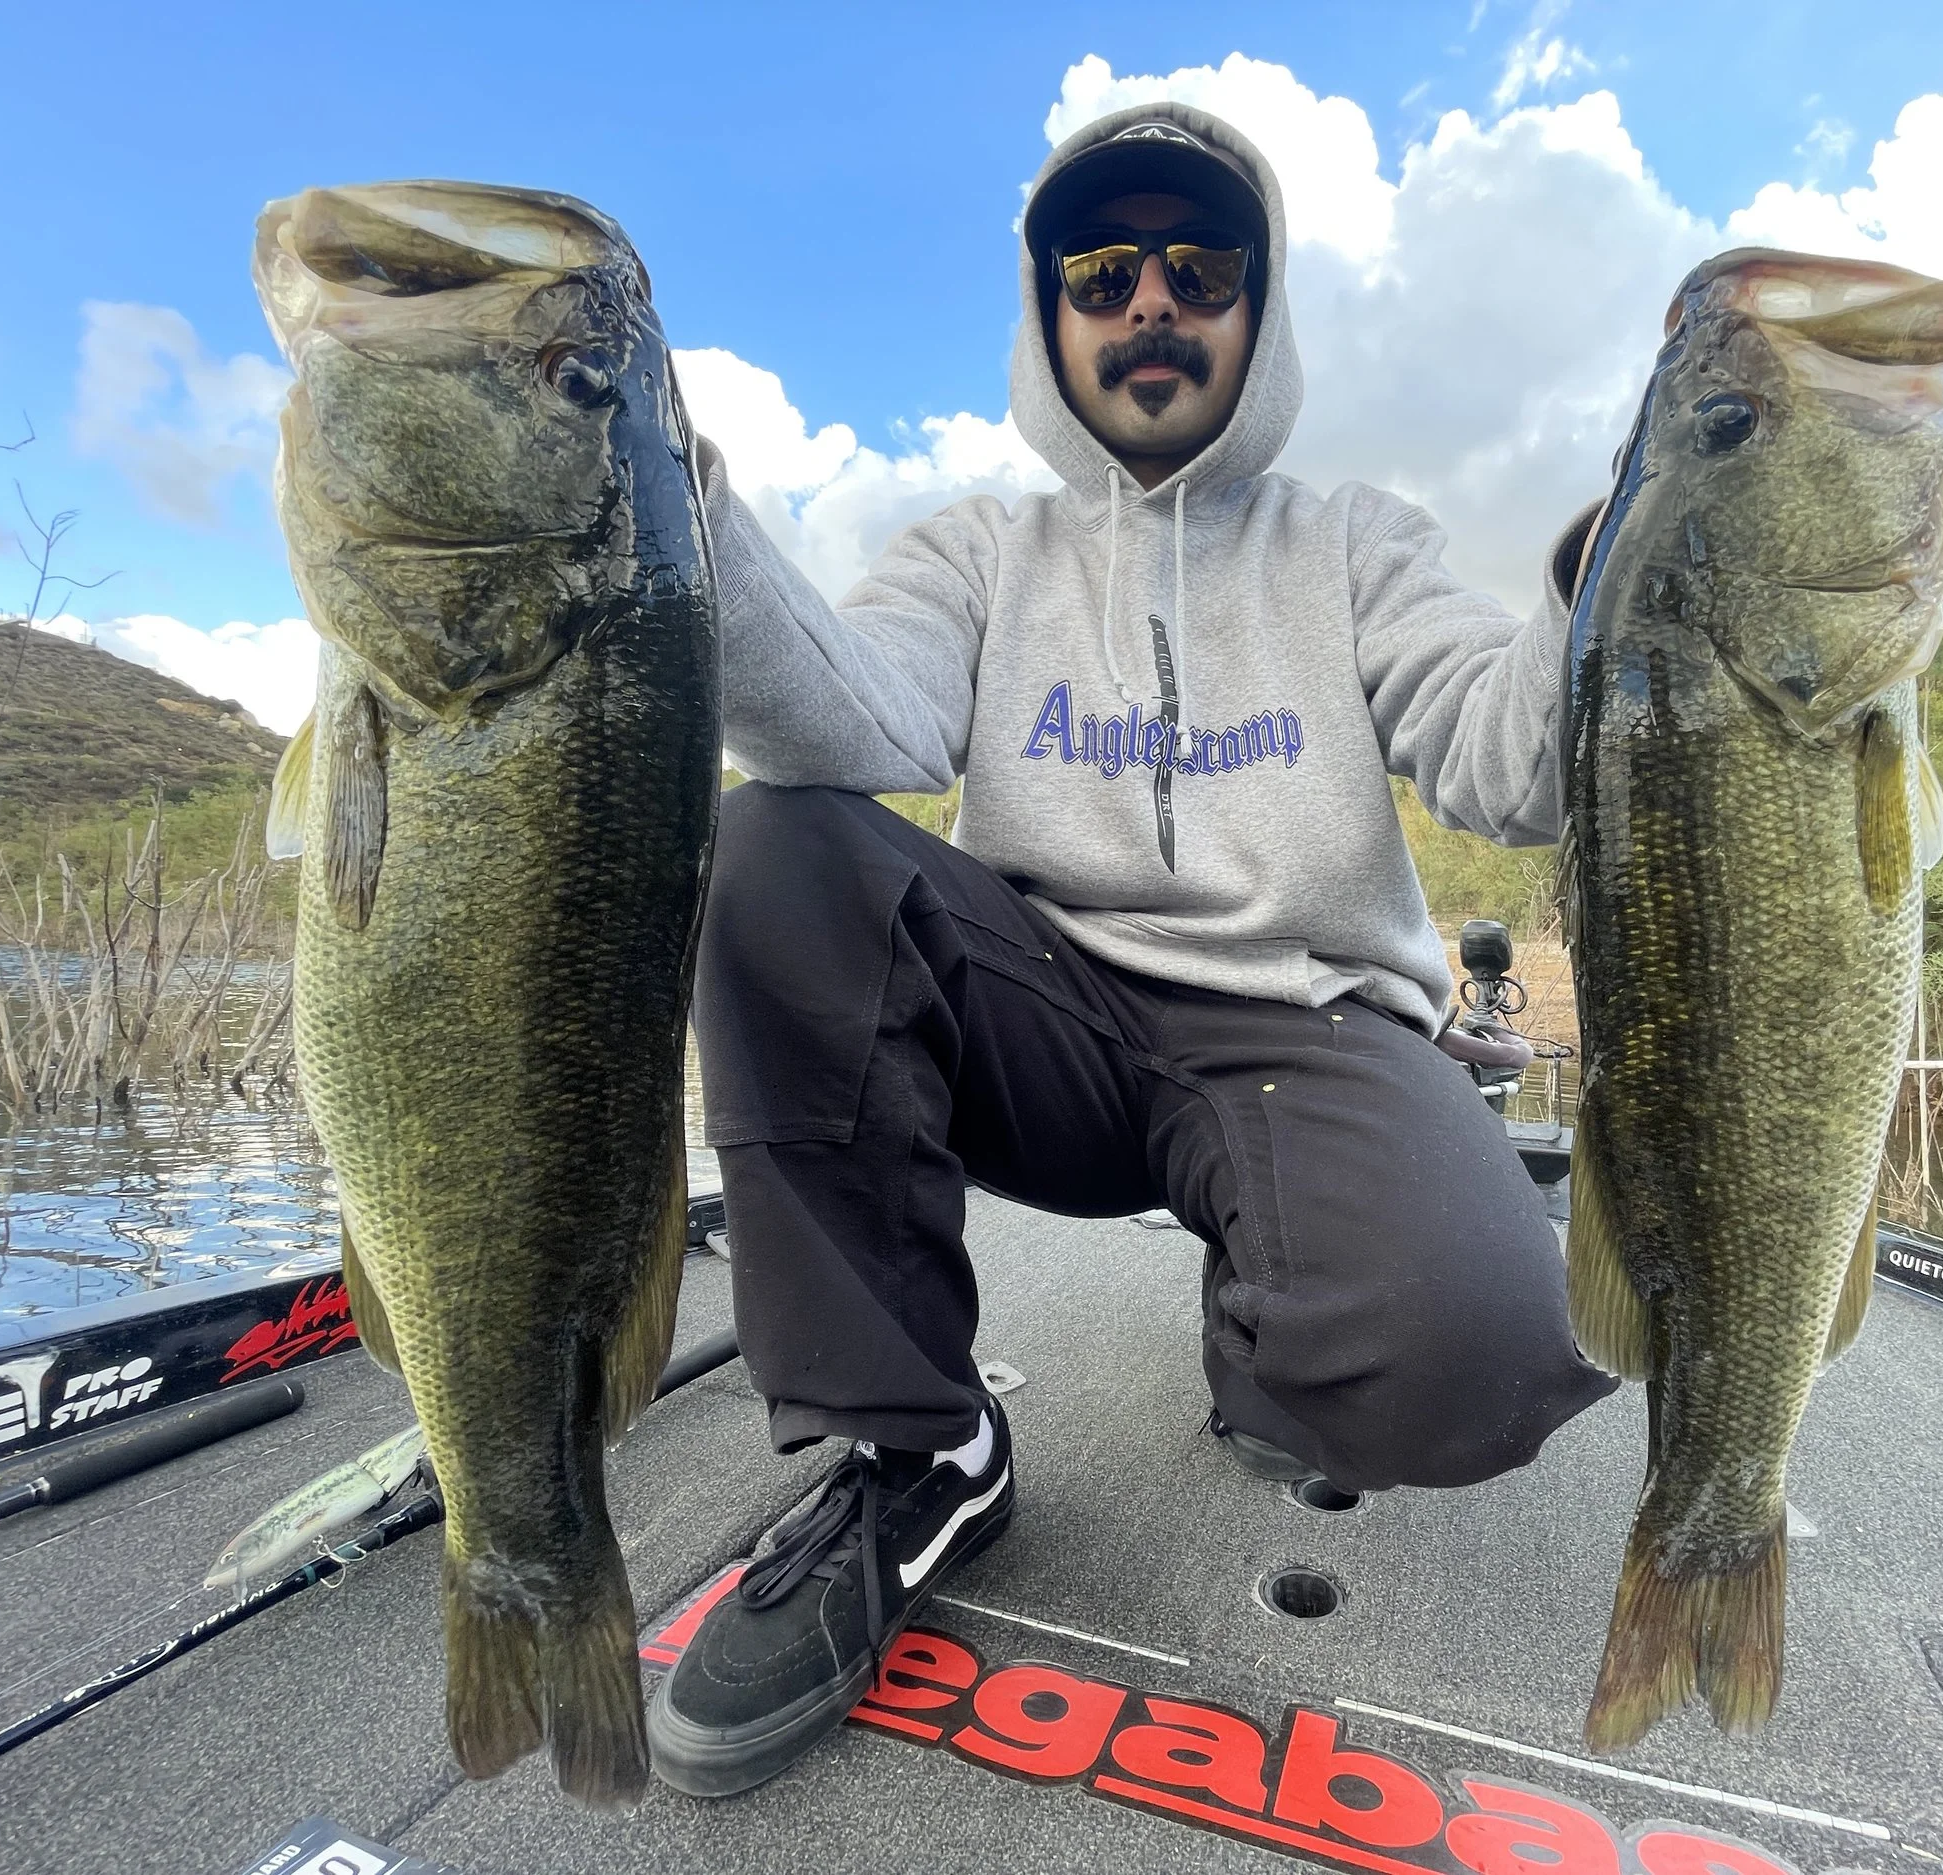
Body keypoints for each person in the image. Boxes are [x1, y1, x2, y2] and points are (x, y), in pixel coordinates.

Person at [646, 102, 1617, 1799]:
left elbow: (1507, 757)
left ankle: (1267, 1340)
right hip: (1048, 1009)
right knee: (775, 845)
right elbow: (849, 716)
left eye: (1200, 265)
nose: (1152, 300)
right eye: (1104, 270)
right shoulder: (976, 547)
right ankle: (917, 1445)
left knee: (1475, 1353)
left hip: (1304, 1031)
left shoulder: (1358, 541)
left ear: (1260, 304)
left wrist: (1612, 587)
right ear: (1050, 314)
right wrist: (671, 497)